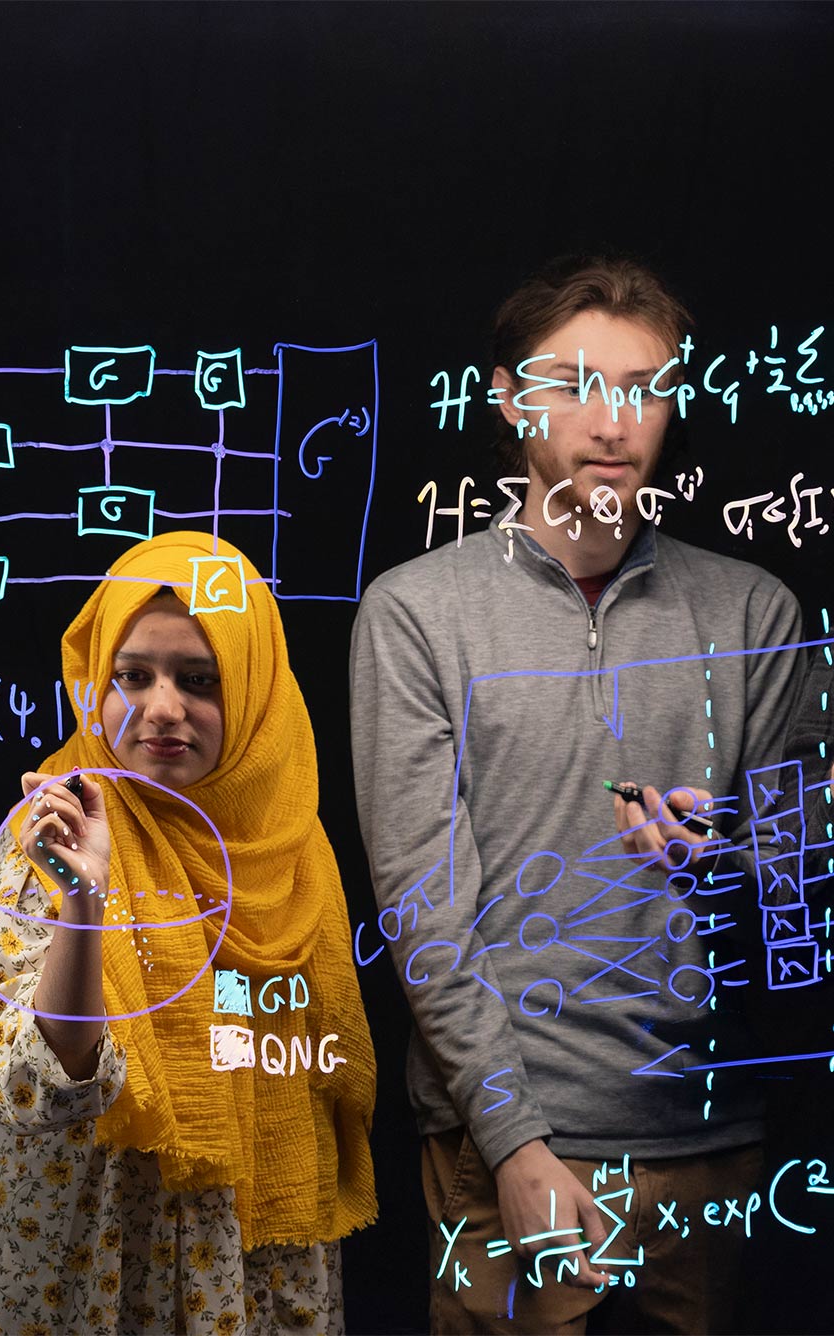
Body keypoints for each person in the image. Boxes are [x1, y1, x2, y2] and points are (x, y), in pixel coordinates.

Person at [349, 256, 804, 1333]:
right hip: (506, 1140)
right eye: (576, 383)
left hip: (710, 1138)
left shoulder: (753, 613)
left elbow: (801, 890)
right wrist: (511, 1142)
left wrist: (724, 859)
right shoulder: (418, 614)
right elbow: (421, 909)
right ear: (508, 398)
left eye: (642, 387)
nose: (612, 420)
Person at [0, 531, 376, 1336]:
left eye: (200, 681)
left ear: (252, 689)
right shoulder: (53, 827)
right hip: (88, 1261)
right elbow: (42, 1083)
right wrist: (85, 900)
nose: (162, 709)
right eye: (133, 676)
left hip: (251, 1266)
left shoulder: (292, 850)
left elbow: (297, 1055)